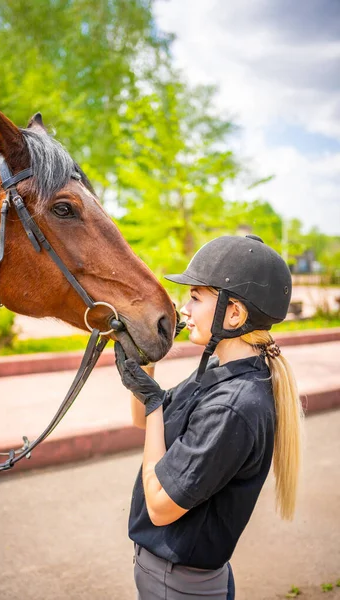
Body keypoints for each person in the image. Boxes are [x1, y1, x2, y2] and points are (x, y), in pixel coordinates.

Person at [115, 234, 304, 600]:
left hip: (178, 584)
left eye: (196, 297)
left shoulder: (234, 405)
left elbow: (159, 507)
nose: (184, 309)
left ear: (234, 314)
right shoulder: (219, 370)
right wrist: (147, 357)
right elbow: (147, 423)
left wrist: (154, 405)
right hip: (167, 575)